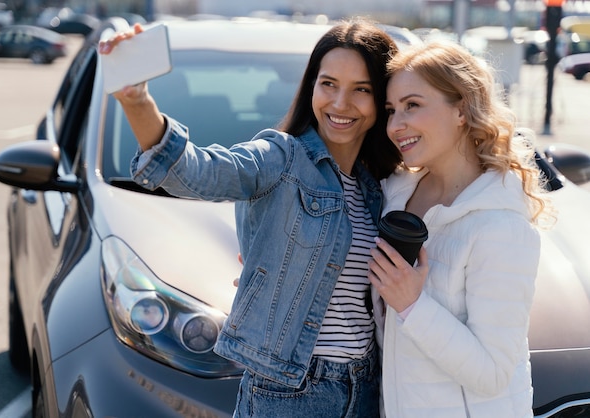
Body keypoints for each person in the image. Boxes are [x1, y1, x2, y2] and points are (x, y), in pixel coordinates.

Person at [99, 19, 401, 417]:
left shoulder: (378, 187)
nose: (340, 103)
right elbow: (196, 172)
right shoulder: (280, 159)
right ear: (311, 86)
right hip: (292, 391)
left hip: (366, 388)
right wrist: (136, 100)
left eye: (361, 90)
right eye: (328, 84)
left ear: (382, 100)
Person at [368, 40, 552, 418]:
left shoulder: (501, 225)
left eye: (413, 105)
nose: (395, 125)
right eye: (391, 110)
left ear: (462, 110)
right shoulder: (393, 195)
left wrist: (413, 305)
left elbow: (493, 373)